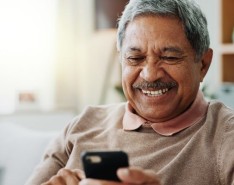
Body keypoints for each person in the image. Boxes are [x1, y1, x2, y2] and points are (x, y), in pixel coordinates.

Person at [26, 0, 234, 184]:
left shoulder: (225, 136)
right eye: (135, 58)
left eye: (170, 57)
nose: (150, 75)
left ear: (203, 65)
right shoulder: (82, 125)